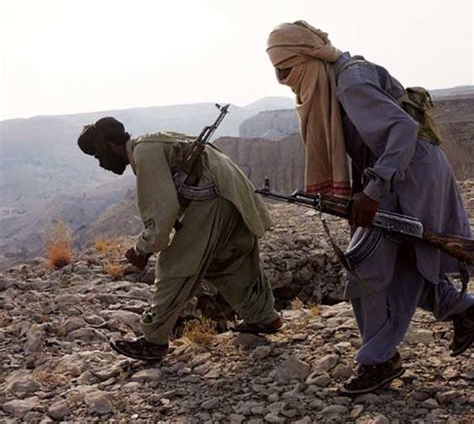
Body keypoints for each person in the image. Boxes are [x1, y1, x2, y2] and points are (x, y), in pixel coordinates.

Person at [266, 20, 474, 395]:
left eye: (286, 69)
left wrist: (373, 191)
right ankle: (464, 310)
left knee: (366, 266)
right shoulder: (341, 78)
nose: (284, 80)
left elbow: (402, 131)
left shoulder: (350, 81)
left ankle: (379, 360)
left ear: (307, 57)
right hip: (403, 172)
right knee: (408, 259)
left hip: (410, 173)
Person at [77, 117, 282, 360]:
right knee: (224, 262)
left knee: (174, 266)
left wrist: (141, 249)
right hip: (231, 194)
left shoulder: (144, 153)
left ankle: (153, 341)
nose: (101, 163)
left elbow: (162, 213)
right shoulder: (152, 140)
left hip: (213, 199)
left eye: (99, 155)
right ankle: (263, 317)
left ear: (110, 145)